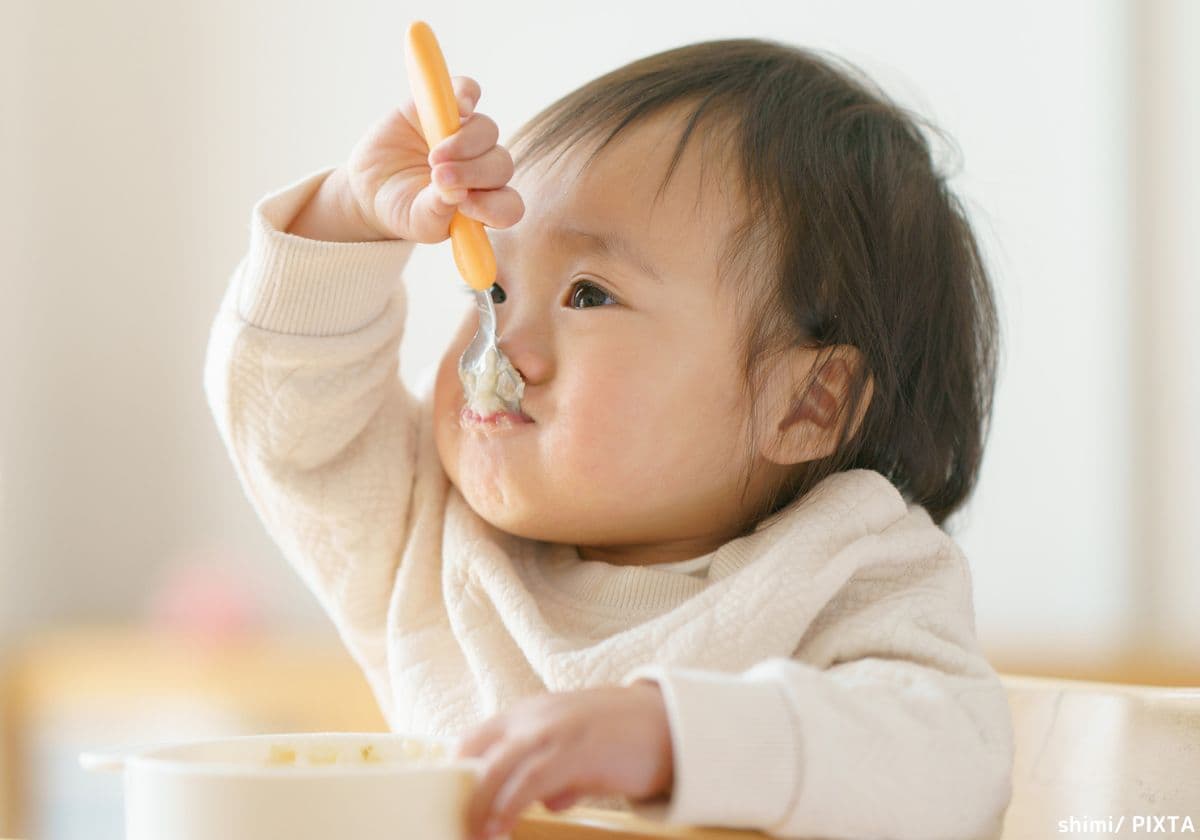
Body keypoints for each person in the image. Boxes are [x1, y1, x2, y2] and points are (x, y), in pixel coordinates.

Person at [205, 37, 1013, 840]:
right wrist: (349, 218)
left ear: (806, 403)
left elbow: (952, 763)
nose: (502, 345)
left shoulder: (850, 567)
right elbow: (287, 420)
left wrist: (672, 737)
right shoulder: (429, 534)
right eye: (489, 285)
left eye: (588, 295)